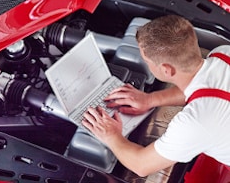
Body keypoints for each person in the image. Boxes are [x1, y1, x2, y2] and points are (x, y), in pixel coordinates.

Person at [82, 14, 230, 177]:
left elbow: (141, 165)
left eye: (147, 61)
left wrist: (111, 136)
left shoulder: (196, 123)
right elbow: (208, 88)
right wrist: (150, 99)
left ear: (166, 70)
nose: (147, 64)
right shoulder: (223, 54)